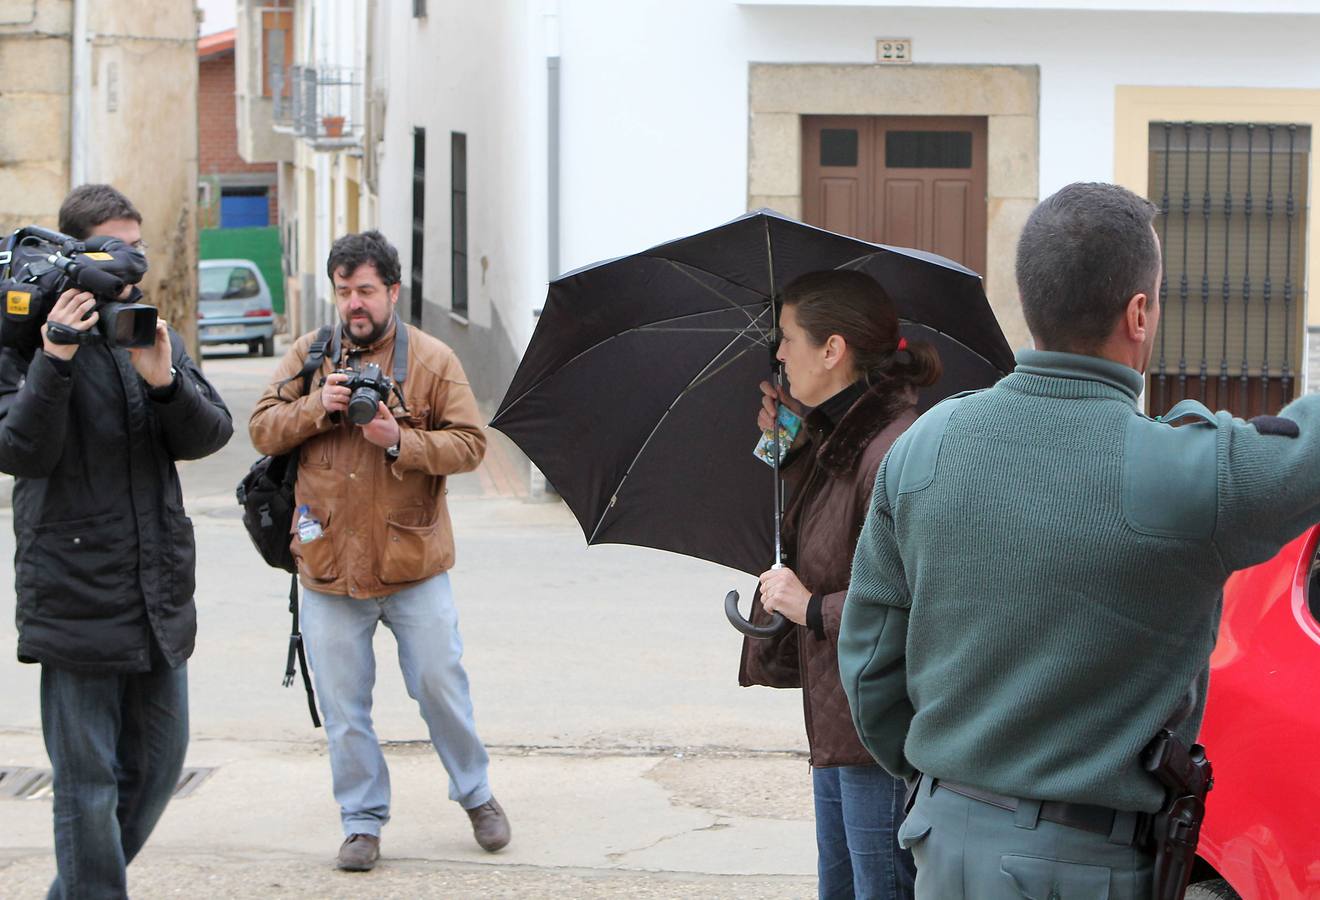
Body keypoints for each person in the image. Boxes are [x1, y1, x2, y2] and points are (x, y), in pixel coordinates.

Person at [839, 181, 1320, 899]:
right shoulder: (1186, 473)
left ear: (1030, 302)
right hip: (1080, 862)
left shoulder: (927, 442)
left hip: (942, 837)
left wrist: (949, 775)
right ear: (1137, 313)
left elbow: (870, 667)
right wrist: (1195, 425)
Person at [249, 230, 509, 872]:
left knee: (439, 684)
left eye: (366, 291)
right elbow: (259, 428)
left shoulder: (432, 360)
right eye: (344, 292)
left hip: (412, 562)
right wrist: (317, 406)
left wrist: (400, 440)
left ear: (393, 291)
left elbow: (472, 445)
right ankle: (361, 822)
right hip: (327, 564)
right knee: (344, 707)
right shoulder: (310, 357)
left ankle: (476, 794)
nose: (354, 304)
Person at [0, 183, 233, 898]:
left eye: (138, 247)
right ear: (73, 254)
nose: (130, 264)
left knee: (160, 766)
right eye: (113, 248)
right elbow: (20, 450)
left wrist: (166, 383)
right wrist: (56, 355)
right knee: (87, 785)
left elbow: (211, 434)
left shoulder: (146, 329)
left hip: (154, 589)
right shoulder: (20, 339)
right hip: (73, 590)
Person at [740, 270, 938, 900]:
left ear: (833, 350)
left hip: (877, 731)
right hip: (839, 718)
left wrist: (811, 607)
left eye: (788, 338)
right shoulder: (841, 437)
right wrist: (789, 445)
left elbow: (924, 596)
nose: (777, 353)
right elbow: (824, 539)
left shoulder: (893, 450)